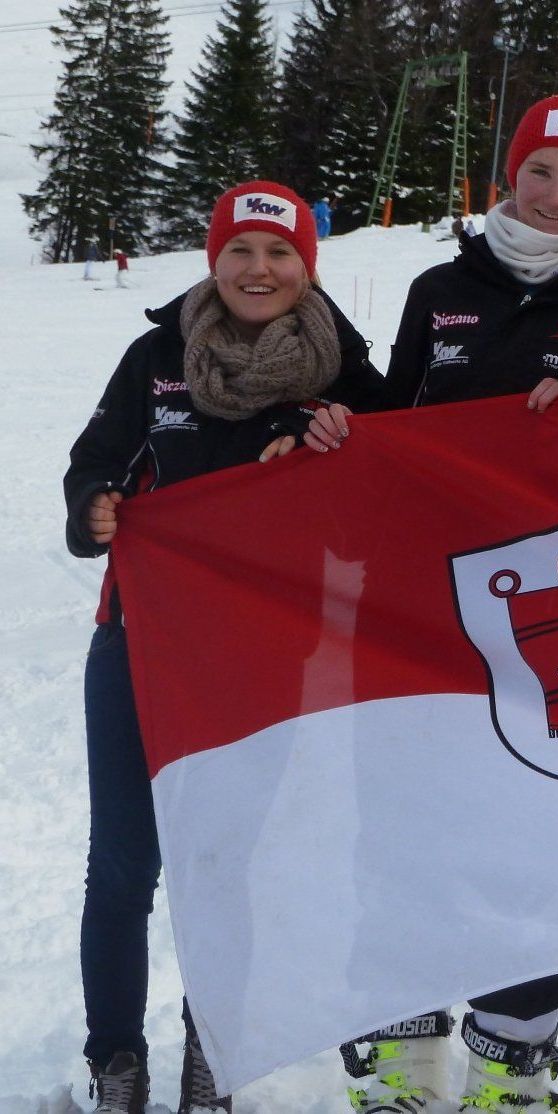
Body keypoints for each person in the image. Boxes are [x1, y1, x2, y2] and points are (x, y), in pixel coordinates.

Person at [307, 94, 558, 1114]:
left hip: (550, 617)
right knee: (402, 818)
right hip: (417, 598)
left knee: (526, 825)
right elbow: (398, 427)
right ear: (508, 175)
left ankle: (514, 1056)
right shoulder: (440, 288)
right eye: (542, 173)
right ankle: (402, 1045)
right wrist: (347, 425)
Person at [62, 179, 383, 1114]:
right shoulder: (157, 356)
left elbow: (386, 500)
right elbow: (93, 459)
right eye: (240, 249)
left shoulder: (346, 370)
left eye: (279, 252)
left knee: (227, 862)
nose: (258, 268)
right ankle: (115, 1060)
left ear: (307, 266)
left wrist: (336, 438)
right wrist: (92, 507)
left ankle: (215, 1051)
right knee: (124, 863)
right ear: (213, 258)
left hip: (262, 652)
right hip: (141, 642)